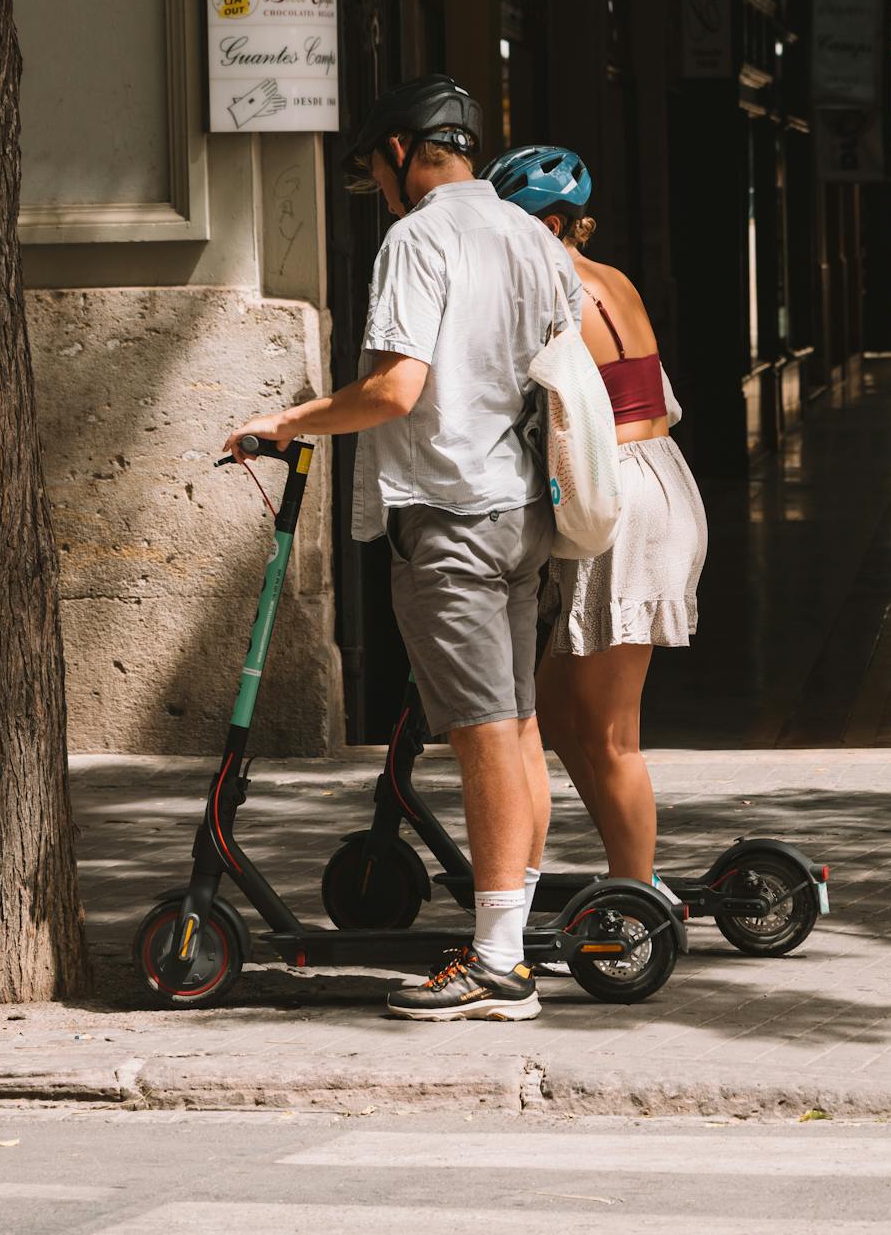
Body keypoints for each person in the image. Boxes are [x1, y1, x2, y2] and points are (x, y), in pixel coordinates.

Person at [225, 78, 582, 1022]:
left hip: (451, 511)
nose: (378, 186)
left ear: (400, 151)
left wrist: (288, 420)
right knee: (513, 726)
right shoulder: (526, 235)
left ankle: (498, 962)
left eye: (376, 167)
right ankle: (511, 929)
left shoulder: (418, 237)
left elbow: (393, 390)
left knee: (480, 736)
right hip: (516, 509)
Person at [480, 144, 707, 888]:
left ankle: (639, 895)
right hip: (658, 481)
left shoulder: (548, 292)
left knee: (611, 734)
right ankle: (548, 878)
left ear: (546, 224)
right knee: (551, 706)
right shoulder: (614, 280)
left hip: (620, 501)